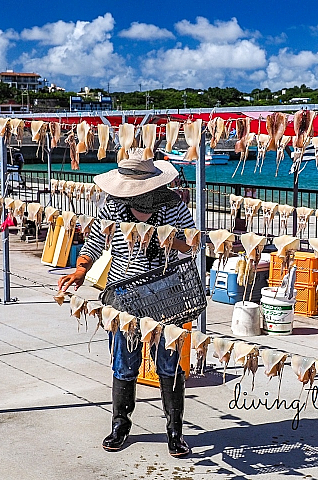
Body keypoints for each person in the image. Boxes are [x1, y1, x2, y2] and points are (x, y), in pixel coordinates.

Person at [58, 147, 195, 457]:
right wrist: (81, 269)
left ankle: (174, 429)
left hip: (167, 293)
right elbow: (94, 242)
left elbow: (191, 245)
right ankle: (121, 424)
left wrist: (167, 238)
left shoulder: (173, 205)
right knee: (124, 362)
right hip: (123, 293)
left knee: (169, 363)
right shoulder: (113, 206)